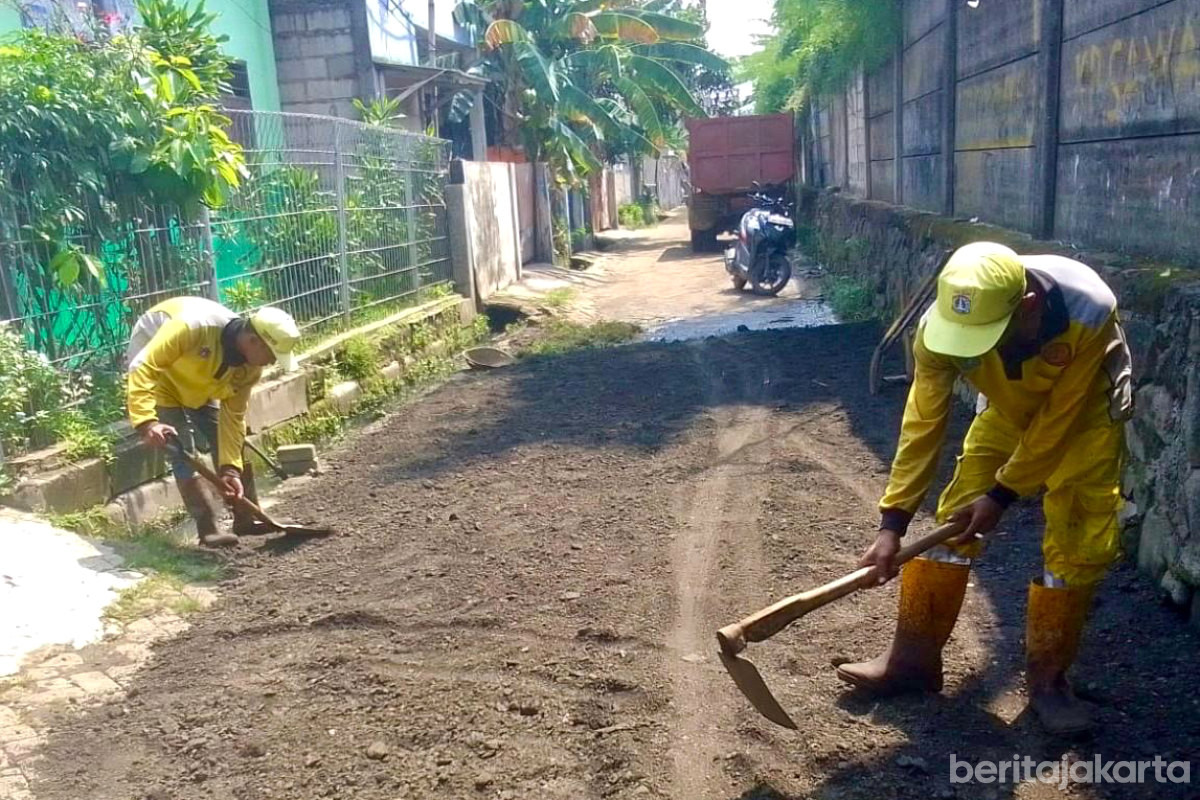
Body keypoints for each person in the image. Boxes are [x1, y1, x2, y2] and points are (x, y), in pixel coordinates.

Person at [836, 242, 1132, 735]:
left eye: (985, 338)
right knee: (956, 512)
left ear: (1028, 306)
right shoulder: (938, 331)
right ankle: (912, 659)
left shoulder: (1089, 310)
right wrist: (893, 522)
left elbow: (1057, 420)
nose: (973, 350)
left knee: (1078, 532)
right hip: (1005, 407)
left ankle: (1049, 682)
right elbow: (922, 424)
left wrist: (1002, 494)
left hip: (1084, 416)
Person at [125, 297, 301, 547]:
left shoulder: (250, 368)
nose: (273, 362)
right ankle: (207, 528)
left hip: (199, 377)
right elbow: (144, 367)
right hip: (160, 377)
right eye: (273, 354)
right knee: (180, 449)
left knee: (231, 444)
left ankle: (246, 518)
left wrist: (230, 470)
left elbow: (233, 418)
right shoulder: (192, 327)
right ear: (253, 341)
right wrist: (147, 422)